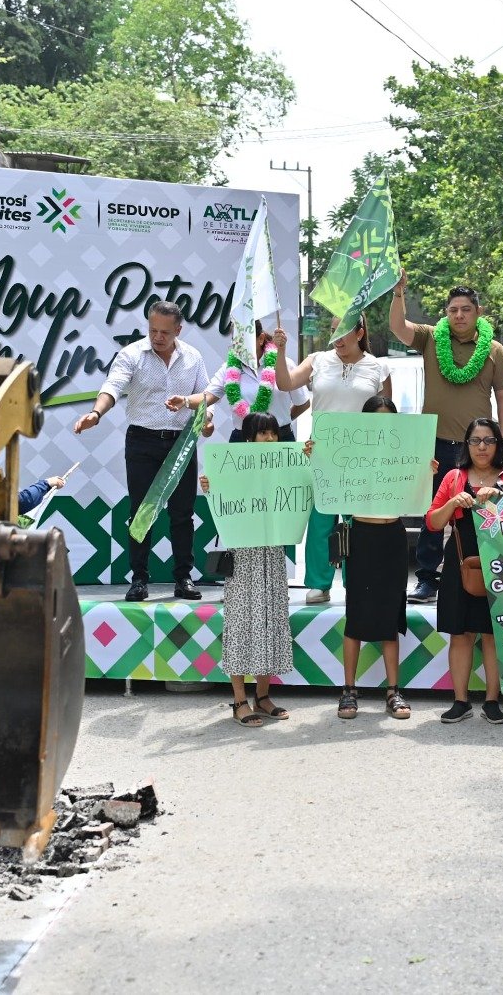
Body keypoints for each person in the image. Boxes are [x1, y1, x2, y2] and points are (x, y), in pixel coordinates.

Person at [74, 300, 210, 603]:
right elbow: (112, 386)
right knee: (140, 511)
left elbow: (205, 396)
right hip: (142, 442)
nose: (157, 336)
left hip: (181, 443)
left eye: (164, 332)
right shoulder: (131, 354)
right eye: (152, 330)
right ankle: (138, 580)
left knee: (182, 514)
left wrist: (206, 418)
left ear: (178, 329)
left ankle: (183, 578)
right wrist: (96, 414)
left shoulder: (193, 357)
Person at [389, 278, 503, 604]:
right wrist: (399, 292)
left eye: (466, 310)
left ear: (478, 312)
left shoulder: (494, 349)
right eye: (453, 310)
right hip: (435, 444)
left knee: (484, 511)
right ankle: (427, 580)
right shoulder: (431, 338)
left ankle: (489, 574)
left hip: (480, 448)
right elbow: (398, 327)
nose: (459, 315)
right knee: (434, 513)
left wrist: (500, 439)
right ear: (447, 313)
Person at [270, 316, 391, 605]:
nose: (338, 336)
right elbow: (285, 383)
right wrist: (282, 350)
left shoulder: (378, 367)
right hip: (322, 453)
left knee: (358, 521)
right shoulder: (317, 360)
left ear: (360, 332)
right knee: (321, 518)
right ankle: (319, 583)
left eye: (346, 330)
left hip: (361, 457)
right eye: (334, 329)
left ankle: (356, 580)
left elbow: (387, 414)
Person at [428, 417, 503, 725]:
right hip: (461, 560)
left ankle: (492, 701)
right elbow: (432, 522)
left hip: (502, 561)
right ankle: (460, 700)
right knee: (460, 633)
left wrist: (502, 500)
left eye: (488, 440)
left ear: (499, 444)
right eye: (475, 441)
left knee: (492, 635)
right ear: (466, 445)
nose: (482, 447)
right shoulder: (454, 477)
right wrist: (452, 503)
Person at [205, 413, 296, 727]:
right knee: (242, 623)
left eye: (273, 433)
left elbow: (301, 492)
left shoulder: (286, 467)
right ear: (248, 439)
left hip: (272, 554)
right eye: (262, 433)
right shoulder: (233, 466)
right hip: (243, 556)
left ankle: (263, 695)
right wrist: (210, 486)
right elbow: (219, 501)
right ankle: (239, 700)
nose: (270, 439)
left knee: (270, 620)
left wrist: (306, 460)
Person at [325, 396, 412, 721]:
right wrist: (313, 455)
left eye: (388, 419)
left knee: (391, 613)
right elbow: (325, 479)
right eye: (376, 418)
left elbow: (418, 496)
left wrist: (424, 470)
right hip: (362, 535)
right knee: (357, 613)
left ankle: (393, 690)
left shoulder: (405, 454)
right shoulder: (349, 455)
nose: (381, 425)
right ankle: (349, 689)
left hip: (393, 537)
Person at [200, 322, 310, 443]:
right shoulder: (228, 368)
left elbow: (303, 403)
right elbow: (207, 397)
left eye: (244, 340)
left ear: (261, 339)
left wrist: (274, 424)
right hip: (243, 440)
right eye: (235, 340)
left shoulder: (284, 364)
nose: (239, 346)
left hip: (279, 439)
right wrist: (185, 401)